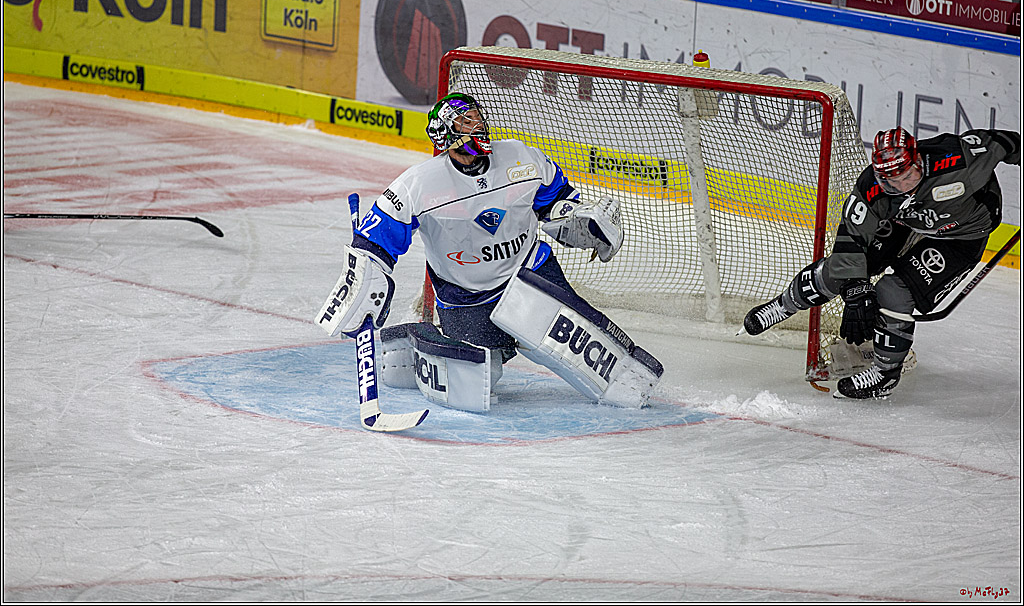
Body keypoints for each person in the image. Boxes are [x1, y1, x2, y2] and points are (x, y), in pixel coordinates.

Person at [322, 92, 663, 411]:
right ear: (445, 134)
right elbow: (375, 241)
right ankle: (414, 341)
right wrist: (366, 276)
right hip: (467, 296)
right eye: (465, 121)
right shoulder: (418, 184)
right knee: (478, 378)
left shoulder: (521, 157)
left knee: (615, 373)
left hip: (531, 275)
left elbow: (557, 201)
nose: (477, 125)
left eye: (477, 117)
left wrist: (581, 219)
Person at [743, 125, 1020, 399]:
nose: (900, 186)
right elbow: (851, 238)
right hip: (906, 220)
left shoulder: (960, 159)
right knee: (841, 270)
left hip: (961, 234)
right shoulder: (873, 186)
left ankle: (885, 374)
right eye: (890, 181)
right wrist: (855, 291)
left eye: (907, 176)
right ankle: (783, 305)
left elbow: (1007, 140)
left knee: (893, 291)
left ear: (917, 161)